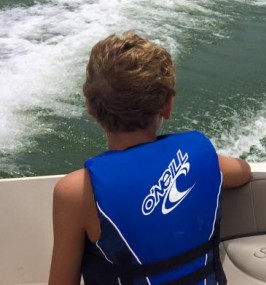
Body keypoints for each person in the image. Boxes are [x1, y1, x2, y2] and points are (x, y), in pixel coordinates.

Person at [48, 31, 251, 285]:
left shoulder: (77, 192)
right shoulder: (199, 151)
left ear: (90, 106)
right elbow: (243, 172)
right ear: (167, 105)